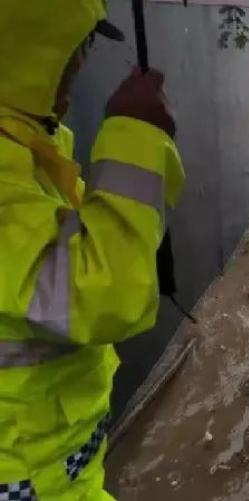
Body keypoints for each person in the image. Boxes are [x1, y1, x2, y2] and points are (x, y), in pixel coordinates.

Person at [0, 1, 184, 499]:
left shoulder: (32, 154)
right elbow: (104, 293)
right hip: (24, 481)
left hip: (62, 462)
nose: (83, 64)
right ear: (27, 50)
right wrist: (137, 137)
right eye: (77, 46)